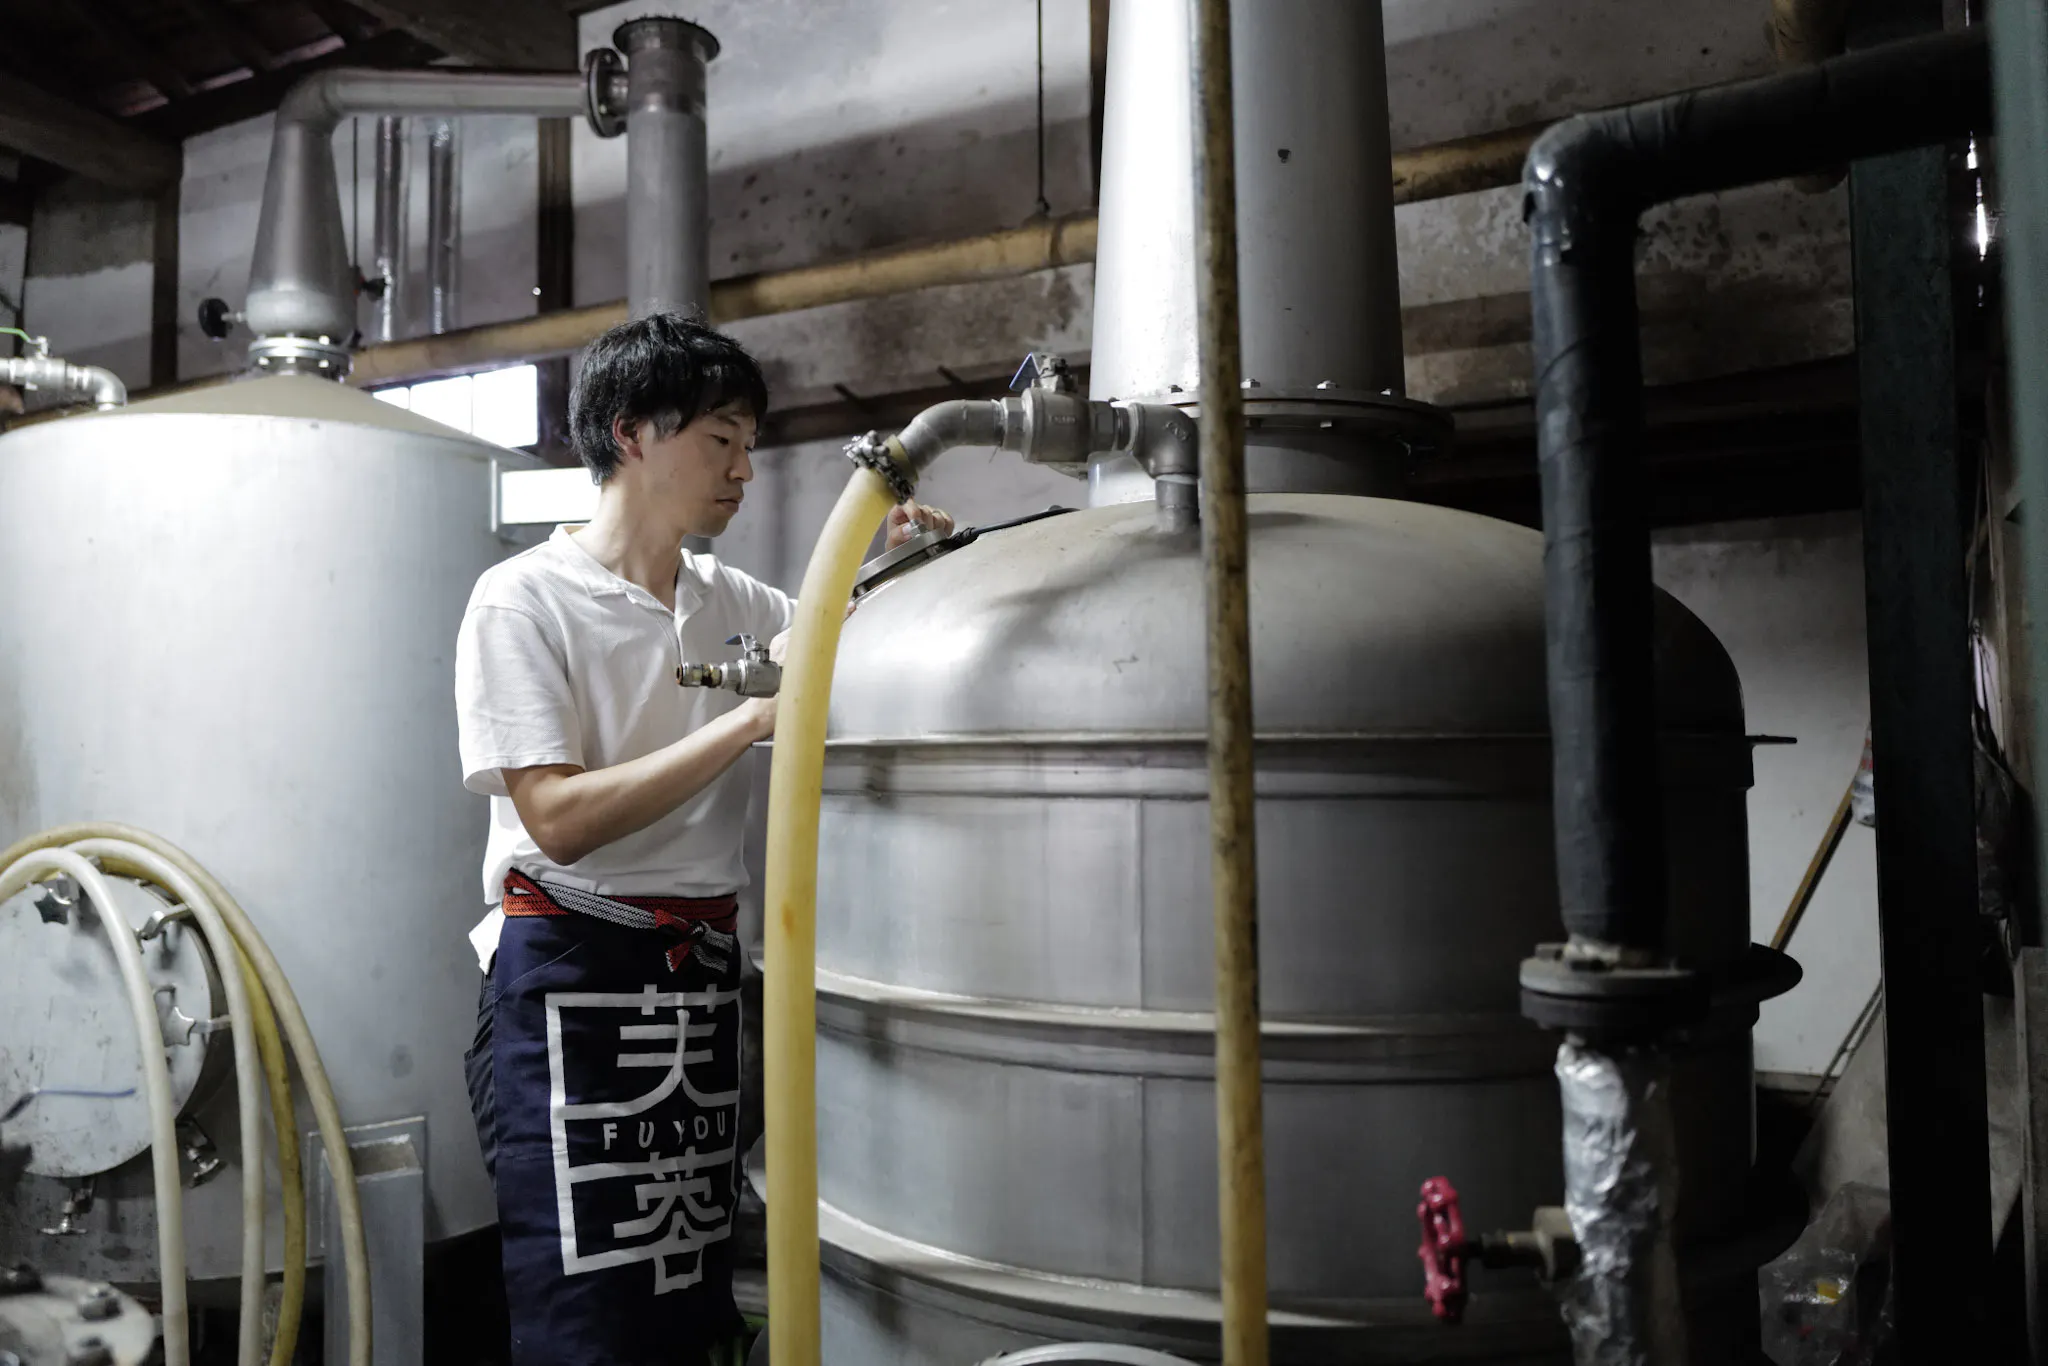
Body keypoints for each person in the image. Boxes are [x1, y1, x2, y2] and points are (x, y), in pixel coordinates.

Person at [454, 313, 950, 1366]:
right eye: (721, 440)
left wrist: (896, 566)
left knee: (685, 1286)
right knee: (588, 1304)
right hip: (571, 976)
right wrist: (750, 719)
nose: (744, 471)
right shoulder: (524, 600)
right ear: (632, 433)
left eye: (749, 445)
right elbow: (558, 818)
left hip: (694, 983)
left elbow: (840, 643)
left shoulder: (732, 599)